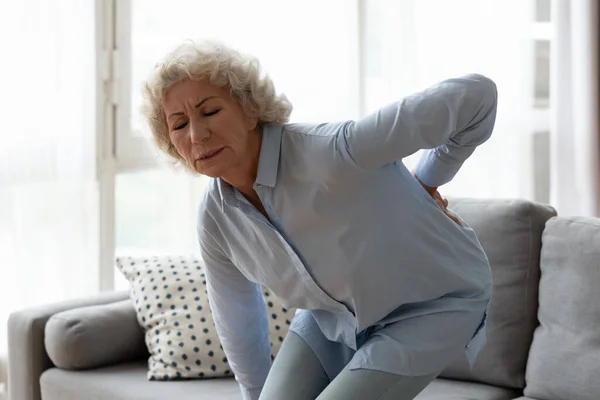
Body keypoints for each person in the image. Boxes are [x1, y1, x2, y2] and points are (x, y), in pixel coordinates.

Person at [141, 40, 497, 400]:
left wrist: (427, 181)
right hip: (333, 317)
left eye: (210, 112)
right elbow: (238, 319)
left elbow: (477, 96)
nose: (196, 135)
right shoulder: (216, 219)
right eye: (179, 124)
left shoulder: (334, 150)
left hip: (434, 302)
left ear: (249, 111)